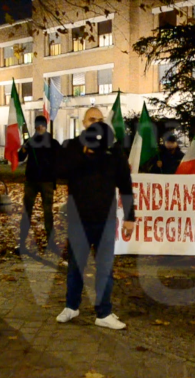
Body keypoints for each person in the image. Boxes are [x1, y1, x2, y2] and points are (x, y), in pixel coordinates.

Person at [55, 122, 135, 330]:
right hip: (78, 220)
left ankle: (103, 313)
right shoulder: (73, 148)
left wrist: (129, 217)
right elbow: (59, 171)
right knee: (75, 266)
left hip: (105, 220)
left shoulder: (114, 153)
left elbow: (126, 185)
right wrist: (82, 155)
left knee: (105, 268)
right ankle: (71, 306)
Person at [16, 115, 62, 256]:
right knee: (27, 211)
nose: (40, 128)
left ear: (45, 127)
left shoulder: (53, 143)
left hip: (46, 181)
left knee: (48, 212)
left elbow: (59, 160)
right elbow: (20, 157)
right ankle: (22, 243)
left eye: (42, 125)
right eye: (38, 126)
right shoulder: (30, 142)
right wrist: (23, 149)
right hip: (32, 180)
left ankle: (51, 243)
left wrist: (53, 172)